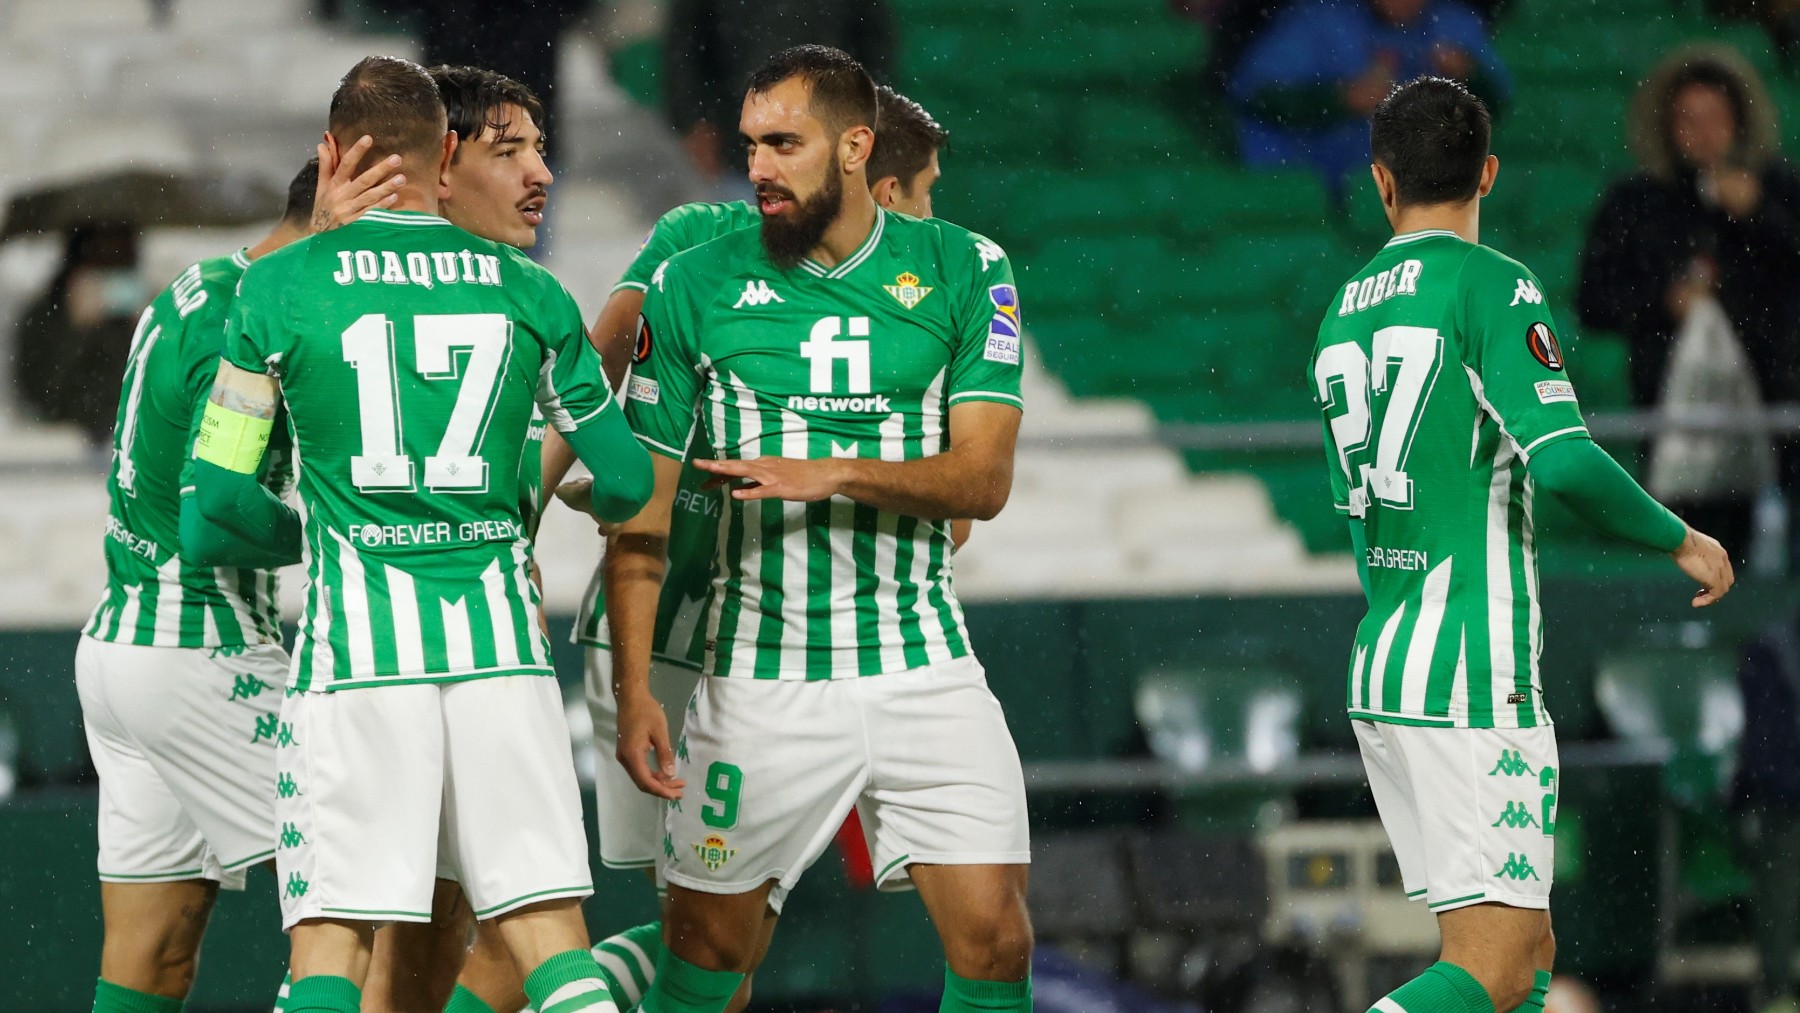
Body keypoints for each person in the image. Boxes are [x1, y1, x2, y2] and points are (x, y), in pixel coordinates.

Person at [187, 55, 651, 1013]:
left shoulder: (273, 294)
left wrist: (310, 531)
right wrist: (546, 501)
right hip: (502, 660)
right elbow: (631, 476)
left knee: (332, 945)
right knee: (552, 947)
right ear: (445, 152)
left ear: (331, 154)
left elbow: (212, 502)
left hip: (357, 661)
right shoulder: (532, 291)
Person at [608, 45, 1032, 1013]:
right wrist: (640, 691)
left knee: (997, 939)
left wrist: (834, 471)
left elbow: (986, 478)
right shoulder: (691, 285)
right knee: (707, 955)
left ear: (854, 148)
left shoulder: (969, 266)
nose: (756, 163)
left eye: (783, 143)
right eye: (752, 142)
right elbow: (643, 515)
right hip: (760, 678)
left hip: (926, 668)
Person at [1308, 77, 1734, 1013]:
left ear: (1382, 181)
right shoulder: (1490, 285)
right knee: (1492, 963)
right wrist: (1683, 537)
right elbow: (1568, 464)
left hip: (1388, 658)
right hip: (1469, 663)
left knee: (1526, 944)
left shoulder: (1346, 308)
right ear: (1488, 173)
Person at [533, 82, 954, 1013]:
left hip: (746, 640)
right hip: (682, 630)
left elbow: (956, 511)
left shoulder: (903, 298)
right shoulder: (702, 244)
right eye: (923, 193)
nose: (933, 216)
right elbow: (598, 358)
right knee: (694, 936)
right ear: (879, 185)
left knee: (724, 938)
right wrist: (527, 509)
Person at [1576, 44, 1800, 566]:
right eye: (1688, 119)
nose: (1703, 133)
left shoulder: (1778, 188)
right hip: (1674, 418)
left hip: (1776, 413)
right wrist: (1663, 303)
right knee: (1689, 561)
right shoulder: (1636, 201)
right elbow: (1594, 300)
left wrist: (1758, 213)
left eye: (1716, 118)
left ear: (1740, 122)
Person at [1229, 0, 1509, 196]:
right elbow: (1253, 92)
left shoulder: (1452, 24)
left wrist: (1469, 75)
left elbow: (1500, 100)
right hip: (1316, 189)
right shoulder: (1321, 19)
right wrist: (1340, 98)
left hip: (1421, 194)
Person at [661, 0, 893, 192]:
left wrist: (869, 111)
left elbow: (874, 40)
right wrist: (695, 120)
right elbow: (685, 41)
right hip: (737, 140)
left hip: (826, 136)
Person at [13, 221, 147, 444]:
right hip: (57, 453)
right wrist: (78, 331)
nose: (110, 275)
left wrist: (155, 334)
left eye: (120, 258)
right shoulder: (45, 315)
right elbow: (42, 398)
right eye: (102, 258)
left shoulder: (139, 314)